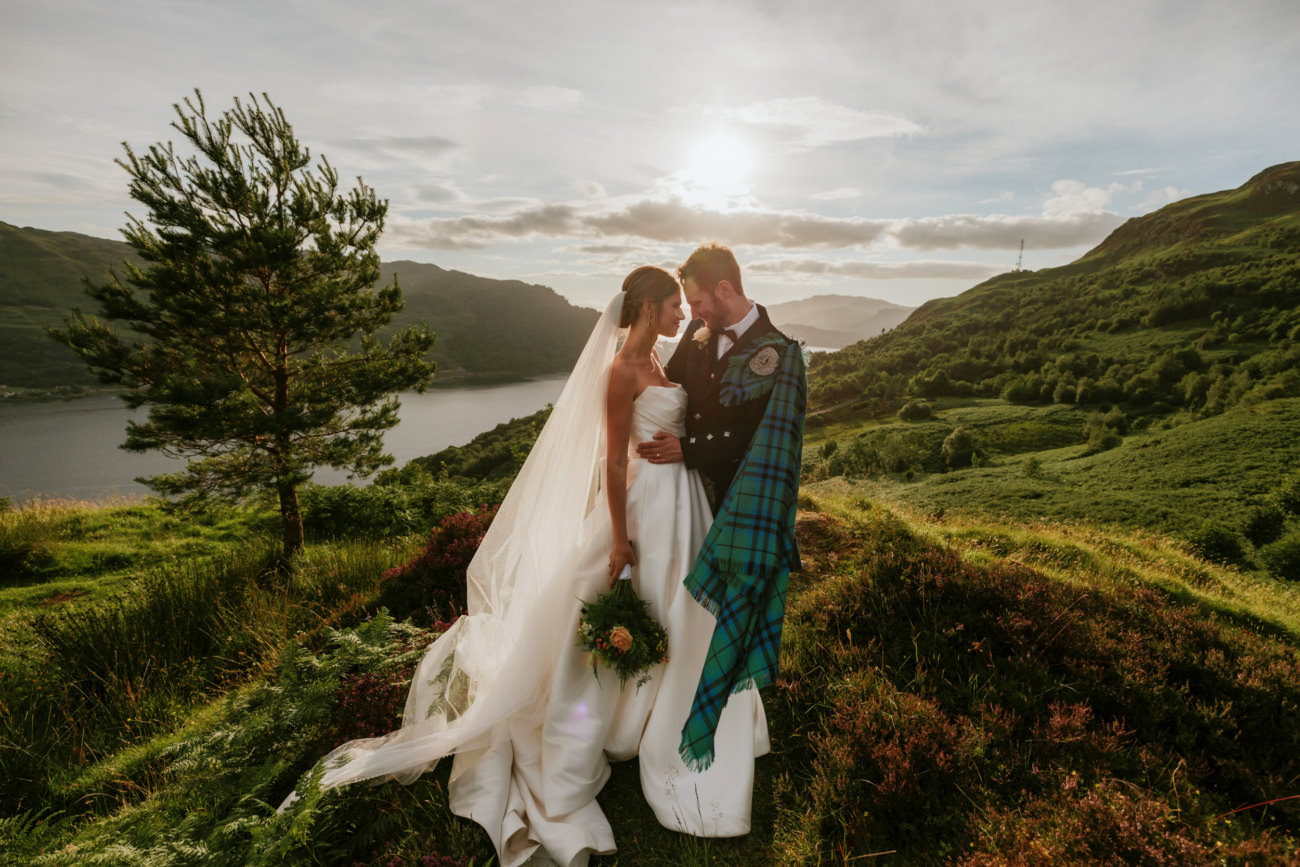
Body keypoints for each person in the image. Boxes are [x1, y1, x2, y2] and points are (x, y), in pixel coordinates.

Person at [278, 265, 769, 866]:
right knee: (638, 605)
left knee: (683, 611)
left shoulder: (665, 361)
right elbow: (613, 463)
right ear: (646, 309)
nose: (680, 317)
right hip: (644, 508)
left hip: (683, 502)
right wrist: (619, 540)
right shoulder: (621, 372)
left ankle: (666, 711)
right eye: (673, 306)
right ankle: (616, 721)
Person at [637, 242, 806, 772]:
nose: (693, 314)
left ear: (725, 290)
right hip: (681, 496)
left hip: (735, 500)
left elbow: (756, 439)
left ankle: (725, 711)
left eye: (699, 302)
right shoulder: (697, 334)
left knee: (722, 611)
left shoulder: (776, 352)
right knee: (678, 600)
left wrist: (687, 451)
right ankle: (667, 694)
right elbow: (675, 392)